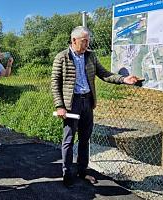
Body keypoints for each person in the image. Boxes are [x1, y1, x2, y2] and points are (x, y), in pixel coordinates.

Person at [51, 26, 138, 187]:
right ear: (74, 40)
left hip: (87, 102)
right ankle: (67, 173)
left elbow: (104, 74)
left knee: (85, 139)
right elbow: (55, 83)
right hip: (72, 104)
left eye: (88, 41)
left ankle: (82, 171)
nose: (87, 44)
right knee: (69, 140)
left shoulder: (91, 56)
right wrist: (59, 106)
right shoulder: (62, 57)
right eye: (84, 41)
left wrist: (123, 79)